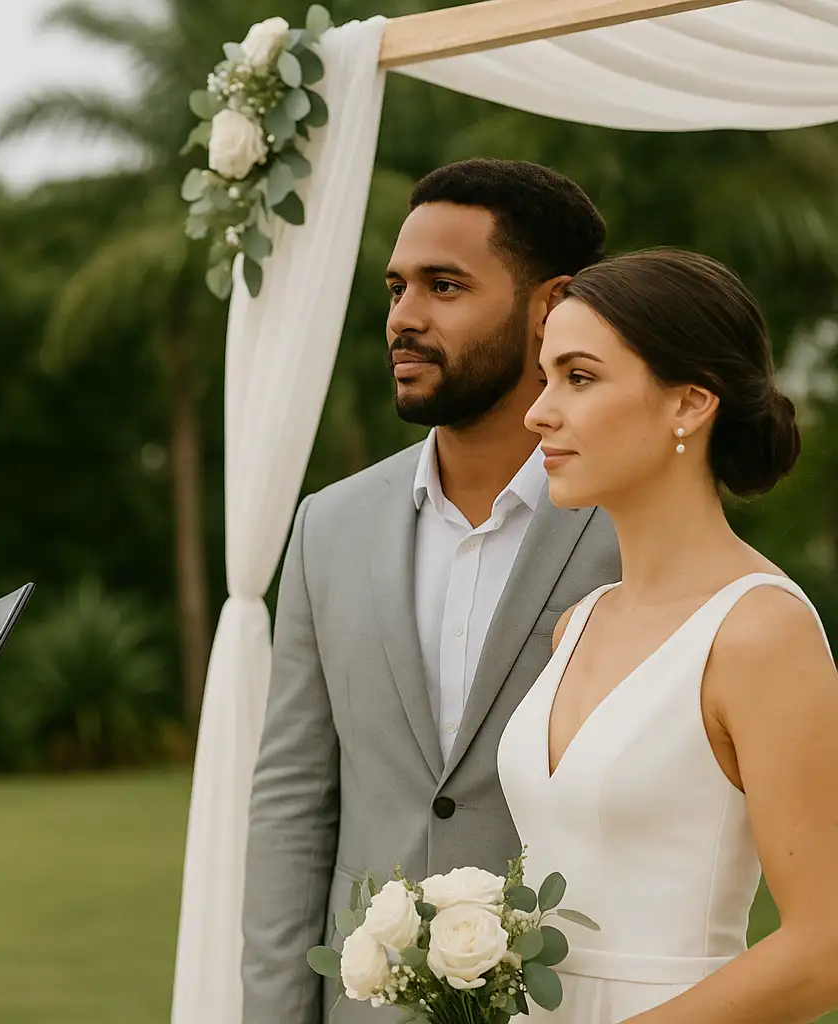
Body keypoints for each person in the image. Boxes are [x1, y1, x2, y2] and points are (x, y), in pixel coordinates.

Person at [241, 158, 623, 1023]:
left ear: (550, 308)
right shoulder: (326, 528)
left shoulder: (628, 529)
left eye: (444, 286)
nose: (405, 319)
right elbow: (293, 804)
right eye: (397, 287)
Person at [499, 248, 838, 1022]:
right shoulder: (576, 624)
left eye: (579, 378)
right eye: (546, 375)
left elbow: (826, 946)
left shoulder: (761, 632)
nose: (539, 411)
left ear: (688, 403)